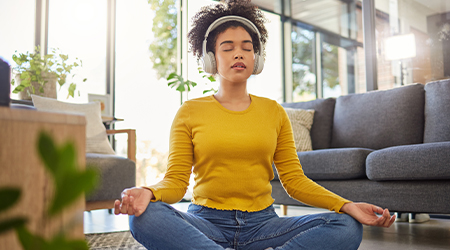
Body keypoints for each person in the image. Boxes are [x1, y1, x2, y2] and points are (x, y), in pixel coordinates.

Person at [114, 1, 396, 249]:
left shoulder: (274, 112)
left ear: (256, 59)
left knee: (346, 227)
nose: (239, 54)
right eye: (228, 48)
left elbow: (295, 182)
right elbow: (176, 183)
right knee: (143, 218)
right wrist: (148, 192)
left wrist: (347, 205)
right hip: (207, 223)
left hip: (263, 225)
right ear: (211, 59)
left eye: (247, 48)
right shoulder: (189, 112)